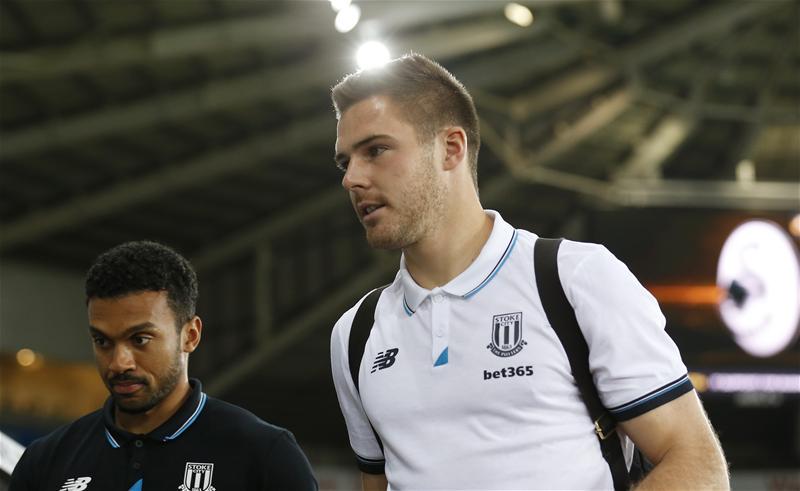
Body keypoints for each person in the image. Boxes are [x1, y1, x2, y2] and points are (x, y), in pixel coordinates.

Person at [329, 54, 729, 490]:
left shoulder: (575, 280)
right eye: (345, 162)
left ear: (451, 148)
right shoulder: (355, 334)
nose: (352, 179)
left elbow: (698, 467)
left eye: (375, 150)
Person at [10, 240, 318, 491]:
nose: (119, 363)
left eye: (140, 339)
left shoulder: (264, 454)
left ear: (190, 335)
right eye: (102, 341)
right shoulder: (45, 461)